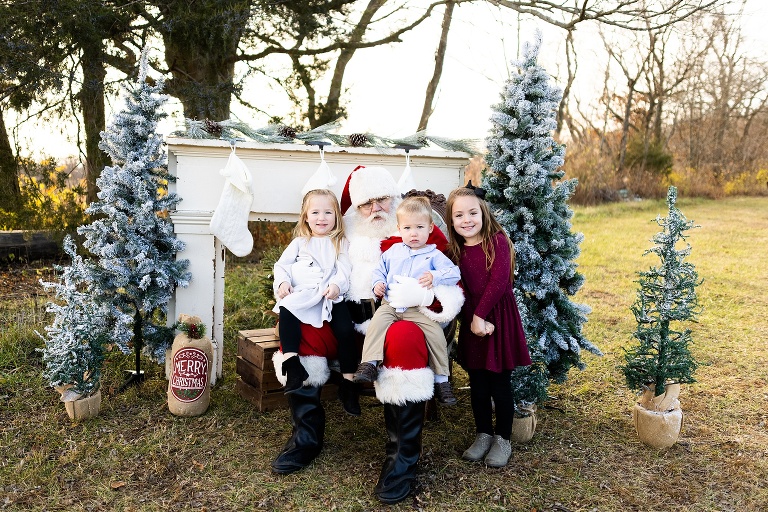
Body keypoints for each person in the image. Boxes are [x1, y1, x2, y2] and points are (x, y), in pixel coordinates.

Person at [271, 165, 464, 506]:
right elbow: (303, 271)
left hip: (398, 321)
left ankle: (402, 458)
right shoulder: (339, 236)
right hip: (343, 321)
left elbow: (450, 283)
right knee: (301, 334)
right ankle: (306, 438)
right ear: (354, 209)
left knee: (404, 338)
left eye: (382, 200)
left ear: (396, 200)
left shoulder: (420, 231)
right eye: (366, 203)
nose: (375, 209)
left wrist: (428, 299)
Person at [446, 184, 532, 468]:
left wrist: (480, 316)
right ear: (452, 220)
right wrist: (470, 318)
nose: (466, 220)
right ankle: (483, 434)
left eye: (472, 212)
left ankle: (503, 438)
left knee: (499, 385)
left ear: (483, 212)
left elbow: (498, 283)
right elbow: (453, 284)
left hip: (497, 318)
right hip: (472, 323)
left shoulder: (497, 241)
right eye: (459, 215)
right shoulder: (455, 250)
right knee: (478, 385)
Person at [353, 196, 461, 406]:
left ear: (430, 228)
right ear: (399, 229)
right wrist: (378, 284)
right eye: (408, 228)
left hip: (417, 309)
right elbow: (379, 271)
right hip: (391, 305)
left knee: (436, 334)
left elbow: (454, 273)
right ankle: (370, 364)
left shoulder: (434, 255)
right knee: (376, 325)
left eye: (419, 227)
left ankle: (442, 380)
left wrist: (435, 276)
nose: (413, 233)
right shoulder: (392, 252)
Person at [271, 188, 360, 415]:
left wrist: (337, 286)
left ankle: (348, 382)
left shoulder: (340, 242)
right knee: (287, 309)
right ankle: (292, 365)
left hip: (329, 295)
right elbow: (281, 266)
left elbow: (345, 269)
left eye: (328, 213)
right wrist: (282, 283)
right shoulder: (300, 243)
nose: (322, 218)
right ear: (306, 217)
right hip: (303, 293)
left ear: (337, 217)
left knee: (345, 330)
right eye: (316, 212)